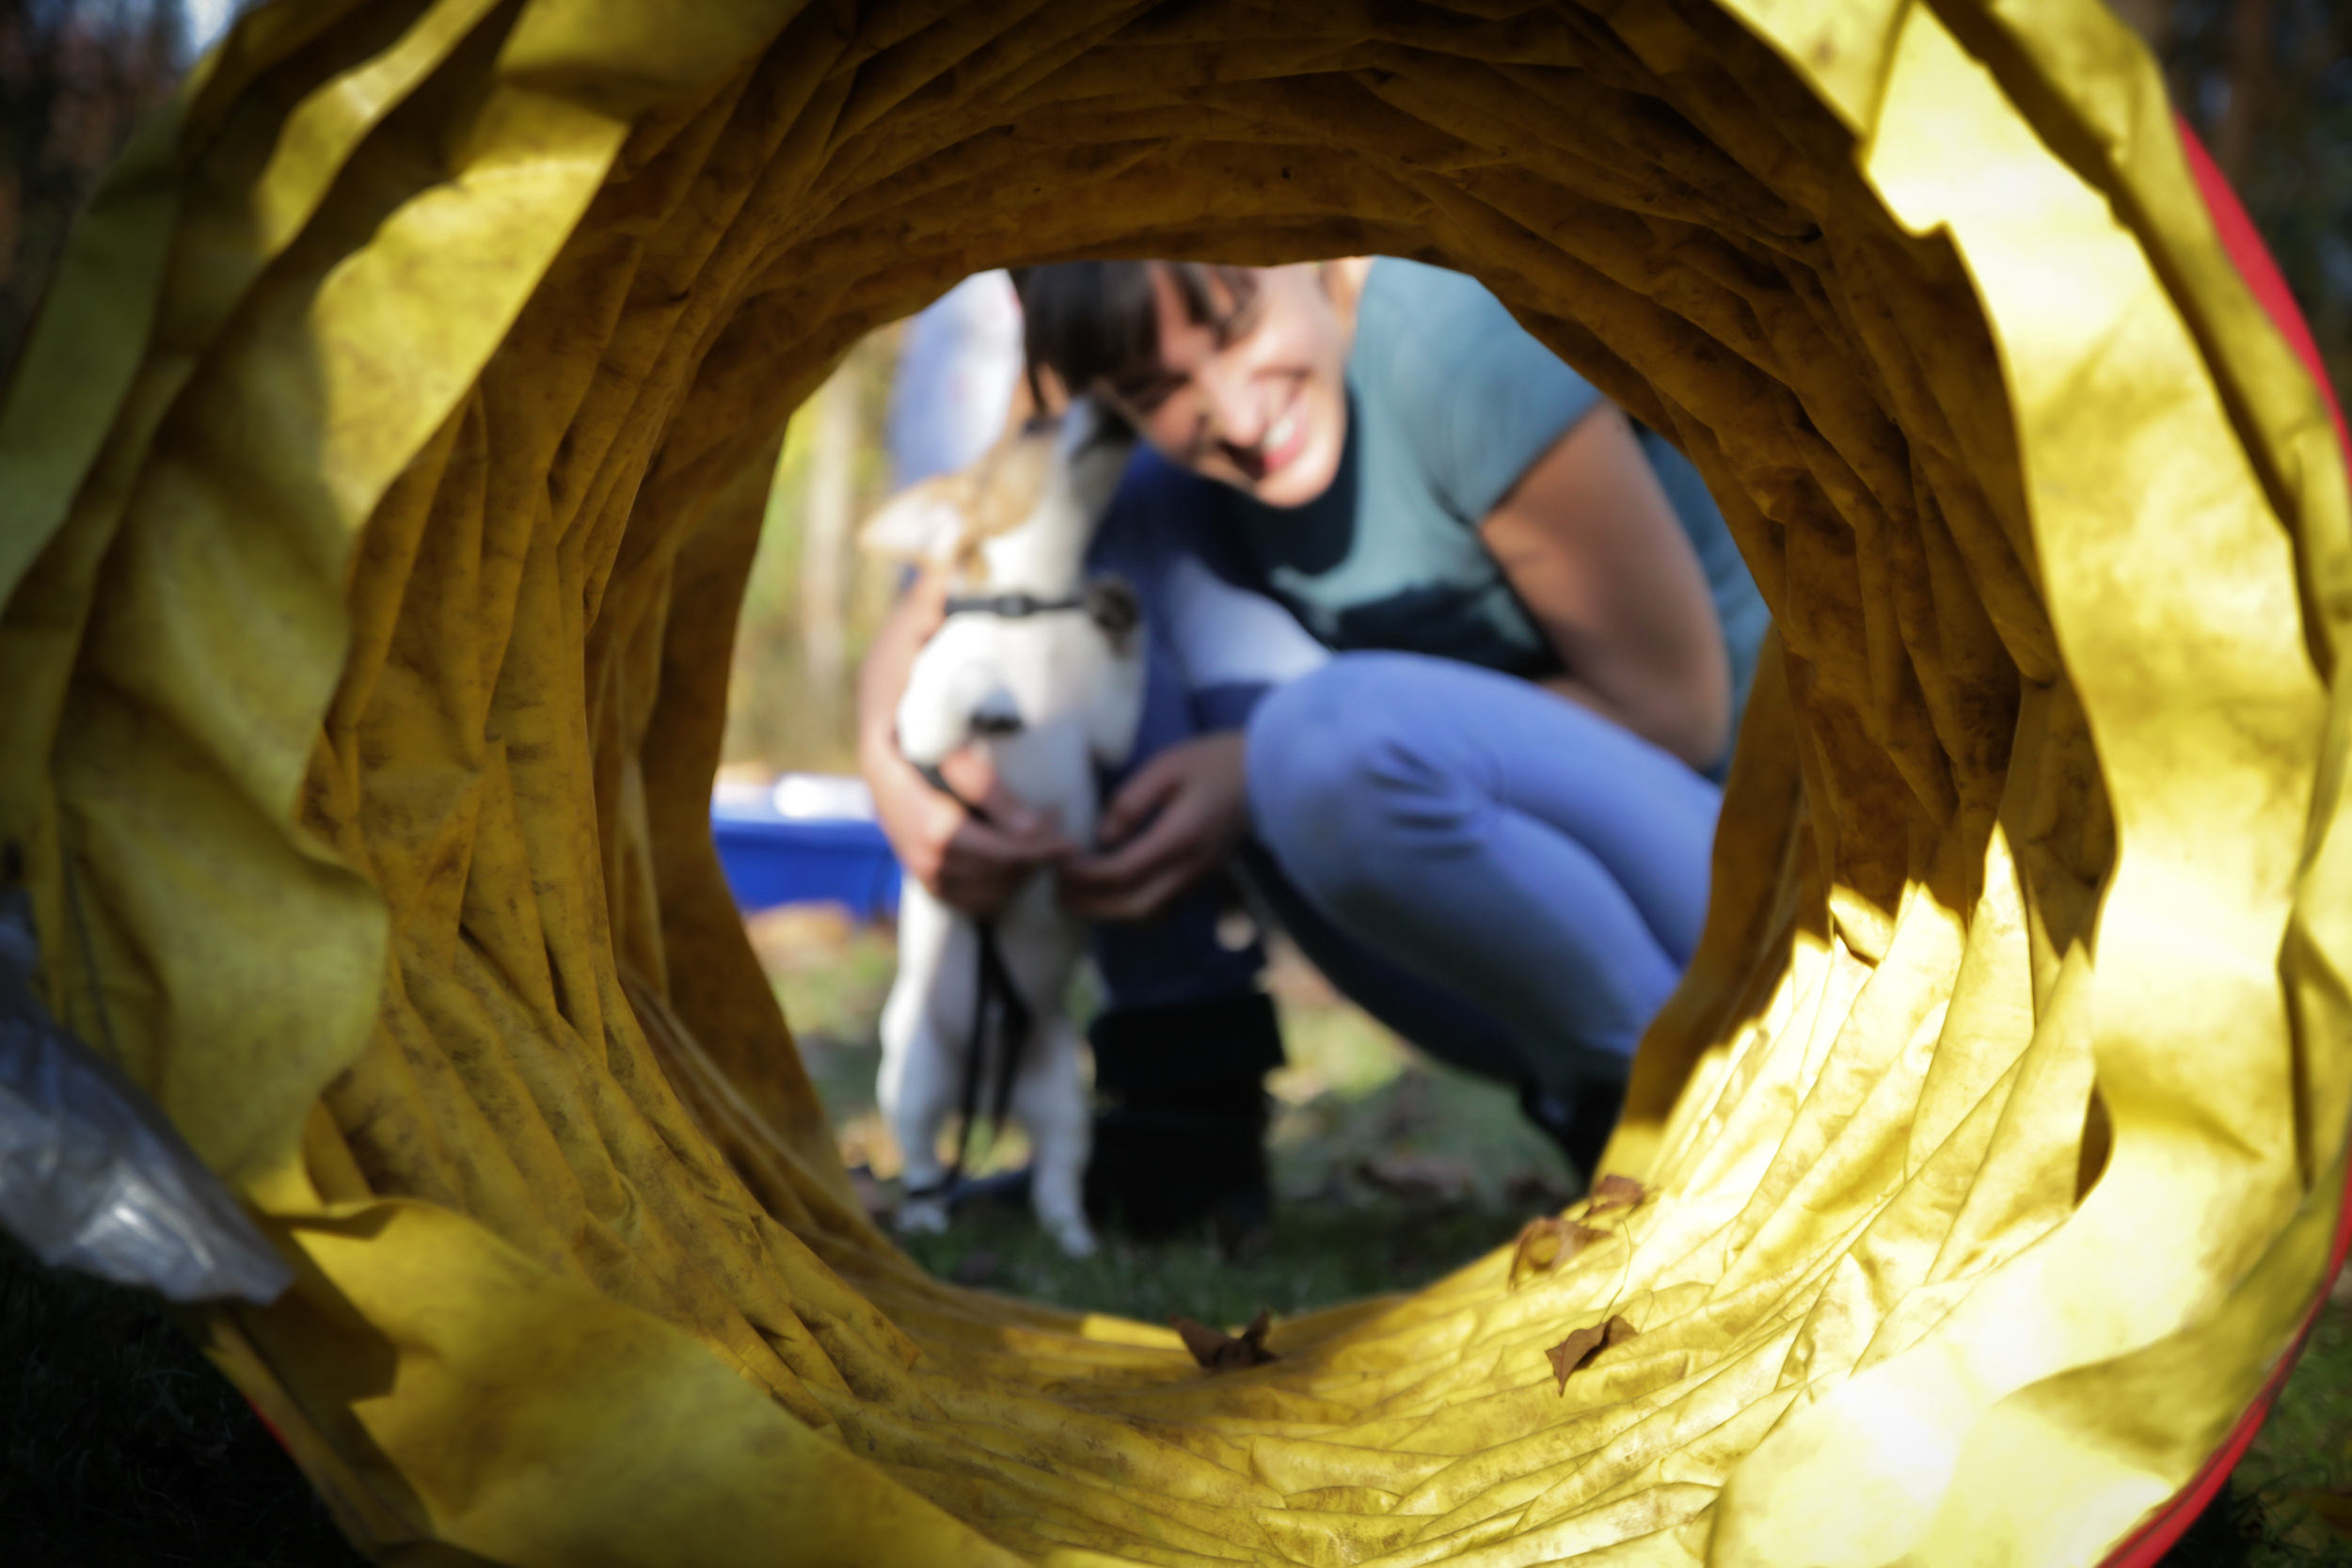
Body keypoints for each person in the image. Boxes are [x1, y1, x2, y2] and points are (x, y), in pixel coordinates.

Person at [858, 257, 1768, 1237]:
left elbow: (1680, 710)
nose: (1239, 417)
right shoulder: (1134, 366)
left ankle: (1687, 1132)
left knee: (1321, 742)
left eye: (1239, 325)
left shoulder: (1450, 337)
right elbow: (971, 552)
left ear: (1310, 244)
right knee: (1105, 519)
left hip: (1728, 920)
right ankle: (1180, 1120)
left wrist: (1249, 771)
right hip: (1490, 936)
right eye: (1159, 389)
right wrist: (889, 754)